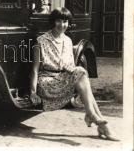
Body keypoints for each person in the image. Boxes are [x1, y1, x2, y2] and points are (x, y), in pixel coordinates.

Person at [29, 7, 119, 141]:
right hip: (47, 82)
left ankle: (96, 118)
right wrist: (32, 92)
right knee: (83, 78)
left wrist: (71, 70)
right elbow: (35, 69)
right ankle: (97, 120)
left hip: (63, 79)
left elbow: (71, 66)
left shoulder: (68, 40)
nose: (62, 25)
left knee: (81, 72)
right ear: (53, 22)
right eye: (59, 21)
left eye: (65, 22)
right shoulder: (41, 40)